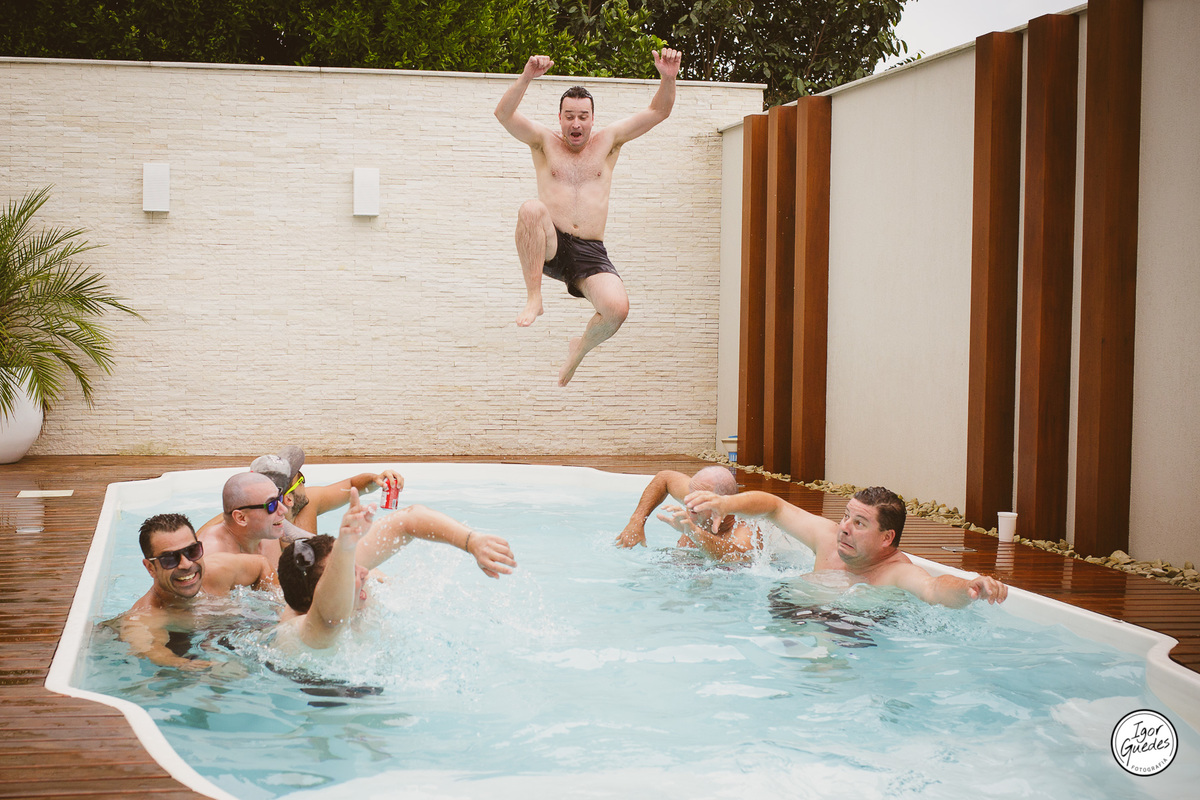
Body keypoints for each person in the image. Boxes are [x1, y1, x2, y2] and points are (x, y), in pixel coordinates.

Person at [495, 48, 683, 385]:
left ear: (593, 119)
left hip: (590, 251)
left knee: (616, 310)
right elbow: (504, 114)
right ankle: (534, 297)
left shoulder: (609, 140)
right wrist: (526, 77)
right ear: (560, 118)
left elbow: (659, 110)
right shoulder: (542, 141)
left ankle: (579, 349)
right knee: (531, 209)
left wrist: (668, 78)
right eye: (569, 116)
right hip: (551, 243)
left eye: (583, 116)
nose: (576, 123)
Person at [685, 485, 1009, 608]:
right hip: (792, 617)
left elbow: (933, 589)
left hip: (850, 637)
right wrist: (726, 503)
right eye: (845, 516)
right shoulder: (828, 538)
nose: (844, 528)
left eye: (860, 523)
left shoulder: (894, 572)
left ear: (887, 538)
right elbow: (774, 507)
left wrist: (970, 586)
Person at [273, 489, 517, 651]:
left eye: (352, 564)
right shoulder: (300, 632)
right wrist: (345, 546)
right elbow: (329, 615)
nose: (364, 572)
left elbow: (408, 520)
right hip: (323, 695)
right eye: (347, 573)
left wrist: (472, 542)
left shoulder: (343, 566)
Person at [114, 513, 270, 670]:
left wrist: (275, 607)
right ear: (150, 568)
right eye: (170, 559)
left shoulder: (217, 572)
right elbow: (155, 653)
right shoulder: (145, 618)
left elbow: (261, 565)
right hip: (186, 647)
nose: (186, 564)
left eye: (192, 551)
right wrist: (191, 665)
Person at [249, 445, 404, 535]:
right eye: (301, 479)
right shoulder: (265, 536)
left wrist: (376, 480)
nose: (305, 484)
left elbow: (351, 485)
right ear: (289, 499)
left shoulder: (310, 502)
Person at [615, 466, 758, 561]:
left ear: (720, 502)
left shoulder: (744, 528)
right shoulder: (696, 495)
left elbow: (738, 559)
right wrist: (637, 521)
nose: (688, 505)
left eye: (698, 499)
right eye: (689, 496)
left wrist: (693, 531)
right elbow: (664, 477)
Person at [198, 472, 292, 573]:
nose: (284, 509)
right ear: (241, 518)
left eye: (279, 498)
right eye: (271, 505)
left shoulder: (267, 534)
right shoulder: (212, 558)